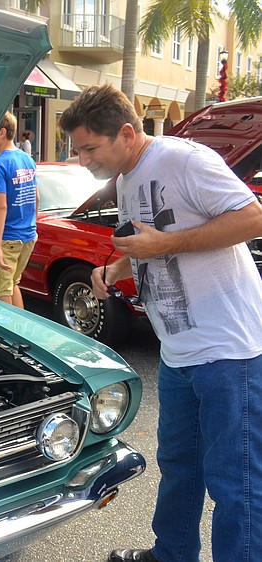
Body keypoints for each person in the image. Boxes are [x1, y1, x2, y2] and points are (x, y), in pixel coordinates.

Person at [59, 83, 262, 562]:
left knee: (237, 482)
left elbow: (253, 217)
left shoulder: (184, 160)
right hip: (177, 352)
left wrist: (162, 246)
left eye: (90, 148)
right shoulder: (128, 178)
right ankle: (172, 554)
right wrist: (116, 268)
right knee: (179, 466)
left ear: (126, 134)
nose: (84, 159)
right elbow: (148, 242)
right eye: (78, 149)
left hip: (228, 351)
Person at [0, 111, 39, 309]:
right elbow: (36, 198)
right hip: (28, 236)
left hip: (8, 238)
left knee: (1, 290)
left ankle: (9, 338)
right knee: (13, 283)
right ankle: (23, 332)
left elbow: (0, 207)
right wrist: (32, 228)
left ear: (2, 132)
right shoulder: (27, 160)